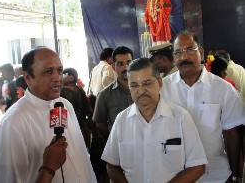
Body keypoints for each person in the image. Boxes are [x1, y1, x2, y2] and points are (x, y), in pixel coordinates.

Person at [0, 47, 97, 183]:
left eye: (59, 71)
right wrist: (48, 168)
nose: (57, 78)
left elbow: (81, 157)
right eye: (48, 72)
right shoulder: (13, 122)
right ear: (27, 78)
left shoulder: (64, 104)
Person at [101, 58, 207, 182]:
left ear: (160, 83)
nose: (141, 90)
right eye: (134, 85)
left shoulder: (181, 118)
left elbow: (198, 166)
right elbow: (111, 165)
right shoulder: (121, 120)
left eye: (147, 83)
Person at [161, 31, 245, 182]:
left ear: (200, 52)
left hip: (215, 174)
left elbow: (232, 135)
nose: (184, 57)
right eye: (178, 52)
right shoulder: (162, 89)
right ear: (174, 58)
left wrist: (236, 175)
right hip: (174, 175)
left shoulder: (223, 89)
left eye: (189, 50)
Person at [92, 46, 133, 182]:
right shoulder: (105, 95)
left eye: (128, 62)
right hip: (119, 153)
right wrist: (115, 134)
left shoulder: (144, 90)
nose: (125, 67)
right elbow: (100, 123)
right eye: (120, 64)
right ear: (113, 67)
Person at [61, 67, 91, 148]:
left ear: (70, 77)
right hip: (82, 128)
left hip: (69, 130)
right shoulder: (80, 90)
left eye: (63, 75)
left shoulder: (64, 90)